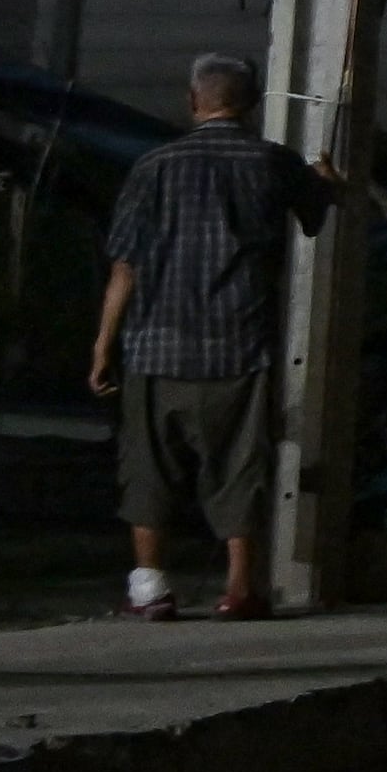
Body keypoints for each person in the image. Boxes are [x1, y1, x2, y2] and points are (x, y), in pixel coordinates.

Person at [89, 51, 337, 621]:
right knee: (239, 469)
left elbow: (124, 267)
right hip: (239, 347)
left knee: (148, 467)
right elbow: (318, 212)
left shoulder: (152, 166)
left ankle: (151, 589)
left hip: (154, 347)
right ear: (249, 105)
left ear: (192, 100)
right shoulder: (272, 163)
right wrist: (327, 184)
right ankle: (239, 590)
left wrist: (103, 345)